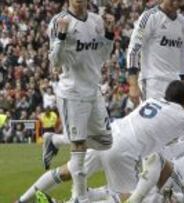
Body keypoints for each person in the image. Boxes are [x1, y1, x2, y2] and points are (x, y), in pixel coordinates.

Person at [18, 81, 184, 203]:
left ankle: (22, 200)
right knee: (131, 198)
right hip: (123, 151)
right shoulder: (182, 115)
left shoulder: (154, 100)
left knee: (66, 171)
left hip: (109, 135)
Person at [32, 0, 115, 202]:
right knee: (79, 145)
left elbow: (104, 55)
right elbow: (55, 61)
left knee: (105, 141)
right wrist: (61, 35)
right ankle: (80, 197)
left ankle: (55, 139)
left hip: (93, 90)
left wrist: (110, 34)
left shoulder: (97, 20)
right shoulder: (59, 21)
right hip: (72, 91)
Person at [127, 0, 184, 104]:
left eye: (179, 1)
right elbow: (133, 49)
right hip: (152, 82)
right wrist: (133, 84)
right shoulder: (149, 17)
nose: (175, 3)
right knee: (151, 120)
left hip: (175, 83)